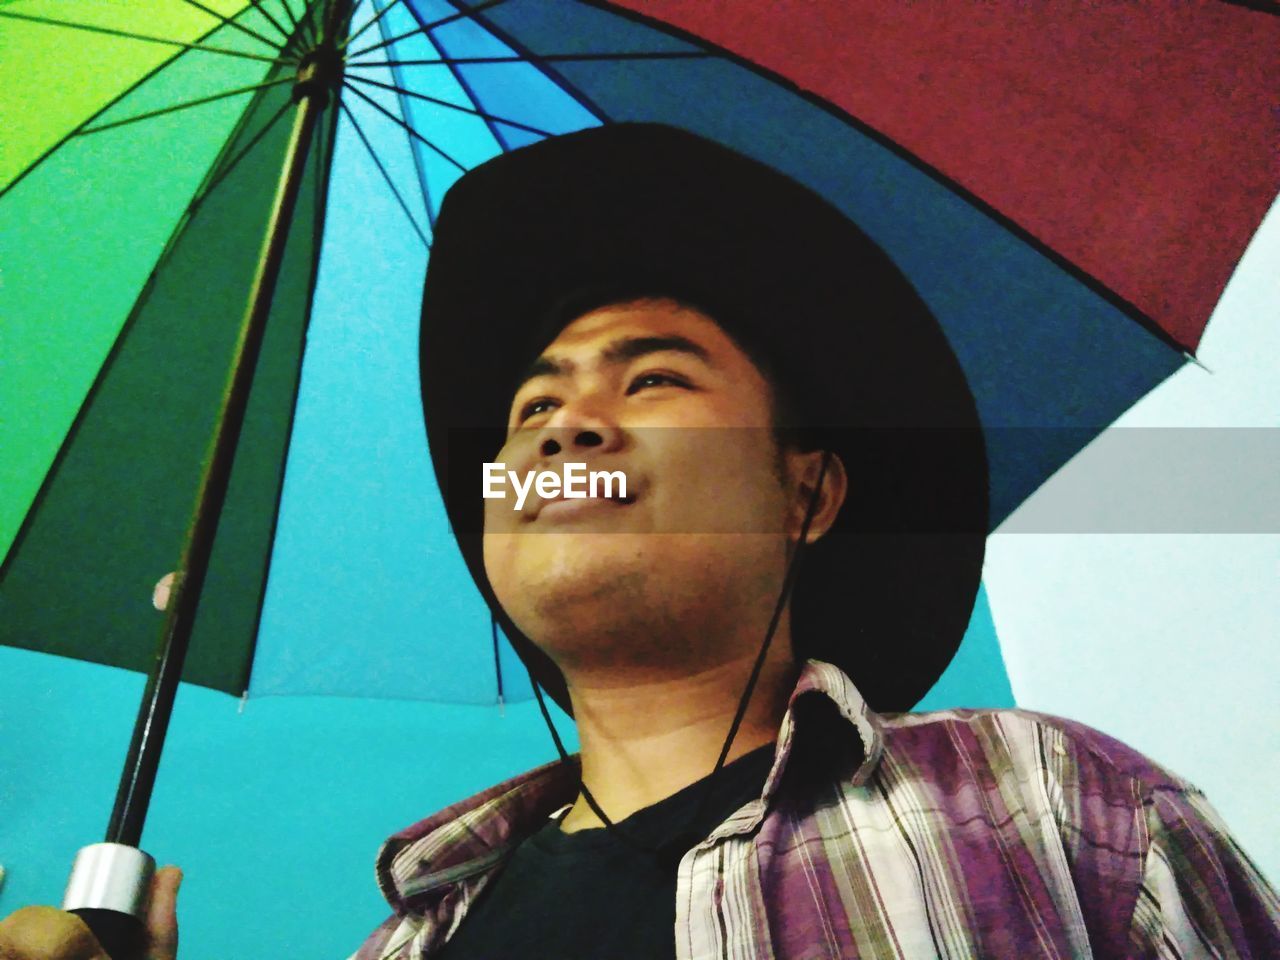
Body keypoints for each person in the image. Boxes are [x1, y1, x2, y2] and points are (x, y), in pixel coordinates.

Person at [2, 124, 1275, 960]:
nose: (566, 431)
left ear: (807, 494)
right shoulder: (404, 946)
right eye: (532, 408)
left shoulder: (1055, 815)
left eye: (652, 380)